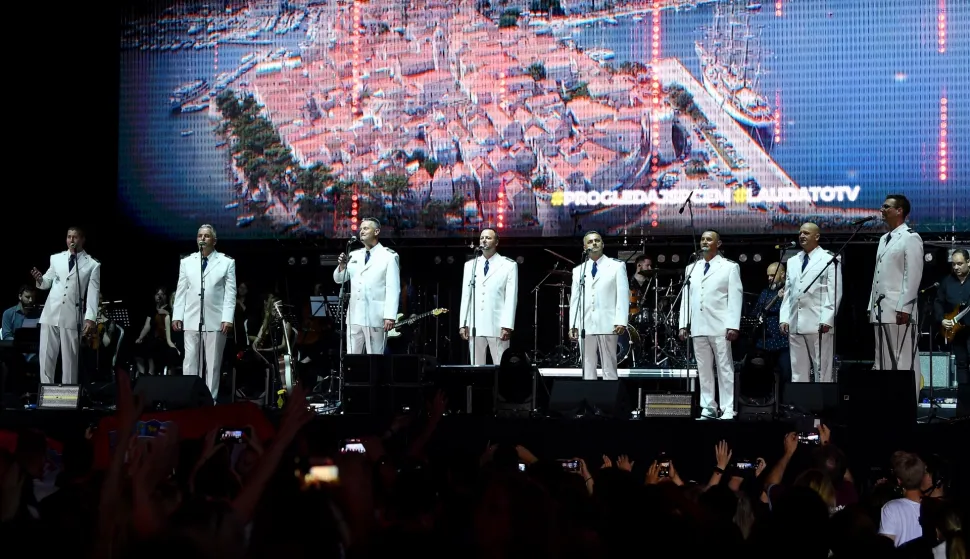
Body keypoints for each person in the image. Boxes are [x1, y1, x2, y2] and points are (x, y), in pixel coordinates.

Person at [678, 230, 743, 419]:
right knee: (703, 368)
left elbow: (735, 298)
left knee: (724, 367)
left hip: (720, 326)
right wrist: (684, 324)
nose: (705, 242)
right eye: (702, 239)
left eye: (709, 239)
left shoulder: (729, 267)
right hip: (698, 326)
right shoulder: (691, 268)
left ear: (718, 243)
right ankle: (708, 406)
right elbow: (686, 299)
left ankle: (728, 407)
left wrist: (733, 325)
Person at [172, 224, 237, 399]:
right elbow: (181, 290)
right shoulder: (187, 262)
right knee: (190, 361)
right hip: (192, 317)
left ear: (214, 241)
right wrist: (177, 315)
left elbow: (230, 293)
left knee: (213, 364)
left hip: (216, 320)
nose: (202, 239)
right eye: (200, 235)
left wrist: (227, 318)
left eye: (206, 236)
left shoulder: (226, 262)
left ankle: (210, 401)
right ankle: (189, 398)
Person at [30, 227, 100, 385]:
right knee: (46, 356)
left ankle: (68, 395)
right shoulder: (56, 258)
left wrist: (90, 318)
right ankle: (46, 391)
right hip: (51, 312)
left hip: (72, 315)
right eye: (69, 237)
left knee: (69, 360)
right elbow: (47, 281)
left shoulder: (92, 264)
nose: (72, 241)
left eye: (75, 237)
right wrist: (40, 280)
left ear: (82, 239)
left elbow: (93, 293)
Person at [868, 194, 923, 396]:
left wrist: (905, 307)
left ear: (899, 210)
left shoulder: (910, 237)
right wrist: (870, 306)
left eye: (886, 206)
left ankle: (909, 408)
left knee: (904, 360)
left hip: (899, 310)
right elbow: (877, 276)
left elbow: (913, 275)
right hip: (881, 310)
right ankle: (889, 407)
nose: (881, 209)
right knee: (882, 362)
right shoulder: (884, 239)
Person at [780, 223, 843, 383]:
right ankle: (801, 405)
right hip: (795, 322)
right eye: (800, 233)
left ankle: (823, 405)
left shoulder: (830, 259)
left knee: (821, 369)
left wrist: (827, 318)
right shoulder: (793, 261)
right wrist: (784, 317)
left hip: (818, 322)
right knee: (797, 369)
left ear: (817, 236)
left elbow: (834, 291)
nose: (802, 236)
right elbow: (788, 292)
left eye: (806, 233)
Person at [568, 232, 629, 380]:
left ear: (602, 244)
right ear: (585, 247)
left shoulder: (616, 266)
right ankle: (589, 399)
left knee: (609, 365)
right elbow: (575, 300)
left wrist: (621, 320)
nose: (594, 243)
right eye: (590, 241)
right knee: (587, 366)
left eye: (597, 240)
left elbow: (622, 295)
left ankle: (610, 400)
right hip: (586, 323)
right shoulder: (578, 270)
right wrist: (573, 325)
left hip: (608, 323)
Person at [334, 217, 400, 354]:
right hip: (355, 316)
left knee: (375, 359)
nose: (361, 231)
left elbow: (393, 288)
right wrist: (342, 266)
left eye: (366, 228)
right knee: (352, 358)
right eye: (361, 229)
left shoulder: (388, 256)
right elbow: (339, 279)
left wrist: (390, 315)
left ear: (376, 231)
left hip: (376, 316)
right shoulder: (354, 255)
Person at [459, 228, 519, 365]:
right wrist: (463, 323)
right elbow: (466, 296)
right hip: (475, 325)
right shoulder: (470, 265)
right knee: (476, 369)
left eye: (488, 238)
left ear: (496, 242)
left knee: (501, 368)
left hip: (497, 325)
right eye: (482, 238)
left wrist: (507, 325)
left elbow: (511, 298)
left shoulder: (508, 265)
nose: (484, 240)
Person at [934, 248, 969, 416]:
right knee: (962, 369)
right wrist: (942, 319)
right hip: (957, 333)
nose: (956, 267)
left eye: (960, 263)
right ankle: (962, 412)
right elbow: (938, 302)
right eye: (954, 264)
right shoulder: (947, 282)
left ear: (969, 262)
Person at [747, 262, 791, 388]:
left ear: (782, 275)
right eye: (768, 276)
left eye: (772, 275)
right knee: (763, 375)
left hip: (783, 342)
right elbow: (756, 311)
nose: (769, 278)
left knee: (785, 374)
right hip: (765, 342)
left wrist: (779, 298)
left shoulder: (788, 291)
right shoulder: (765, 292)